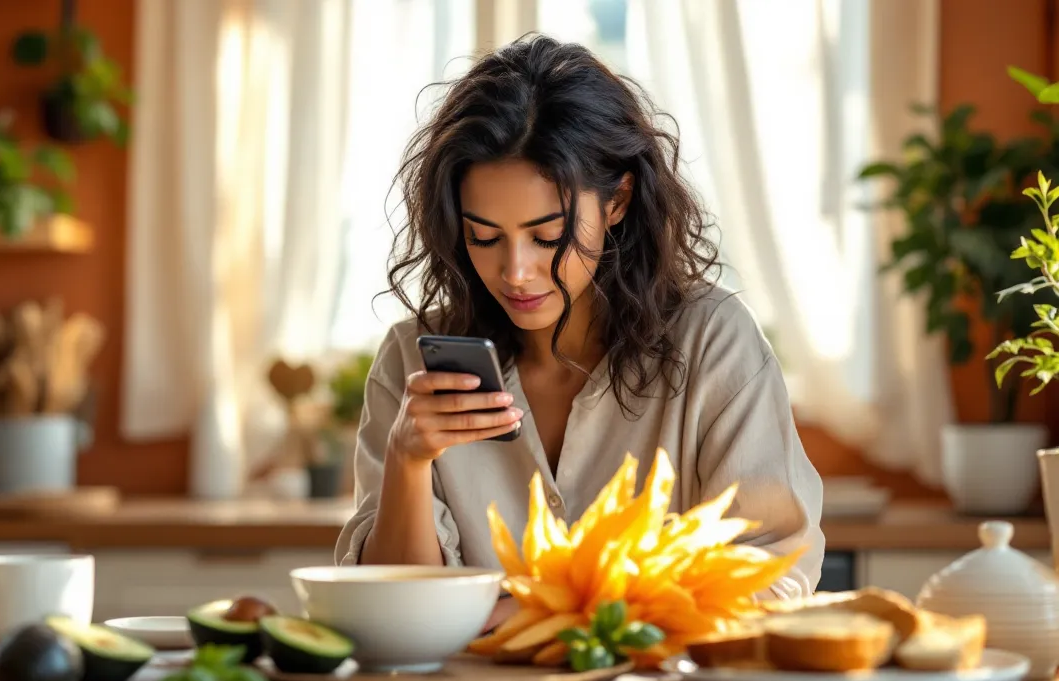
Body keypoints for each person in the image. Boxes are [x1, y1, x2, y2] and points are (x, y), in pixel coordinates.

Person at [333, 35, 824, 626]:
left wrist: (529, 615)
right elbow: (397, 613)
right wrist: (408, 461)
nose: (515, 272)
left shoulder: (713, 344)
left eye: (547, 237)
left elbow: (771, 572)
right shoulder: (410, 361)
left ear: (617, 201)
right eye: (483, 237)